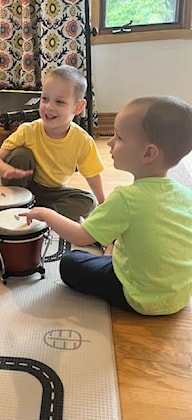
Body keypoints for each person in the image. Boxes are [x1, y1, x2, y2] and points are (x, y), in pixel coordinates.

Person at [20, 95, 192, 316]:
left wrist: (45, 214)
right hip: (178, 297)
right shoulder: (186, 196)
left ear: (148, 153)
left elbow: (81, 237)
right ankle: (110, 248)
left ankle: (109, 253)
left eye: (118, 137)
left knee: (70, 263)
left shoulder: (126, 198)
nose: (110, 143)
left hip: (140, 298)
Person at [0, 65, 105, 221]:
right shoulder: (27, 130)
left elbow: (92, 176)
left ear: (78, 107)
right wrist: (6, 170)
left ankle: (43, 215)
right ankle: (15, 208)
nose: (49, 107)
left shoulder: (83, 141)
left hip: (53, 192)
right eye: (45, 99)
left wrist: (103, 203)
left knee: (89, 201)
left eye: (59, 102)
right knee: (21, 155)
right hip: (24, 186)